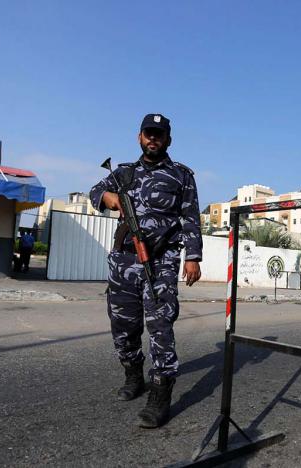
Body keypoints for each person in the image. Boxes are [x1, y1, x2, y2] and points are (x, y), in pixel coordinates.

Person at [89, 113, 202, 428]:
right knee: (123, 327)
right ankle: (133, 376)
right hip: (124, 261)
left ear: (168, 139)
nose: (153, 139)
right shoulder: (123, 172)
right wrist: (107, 197)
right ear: (140, 137)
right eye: (148, 133)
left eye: (159, 134)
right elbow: (94, 192)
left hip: (161, 261)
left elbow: (191, 216)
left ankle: (161, 393)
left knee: (161, 325)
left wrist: (193, 257)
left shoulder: (181, 175)